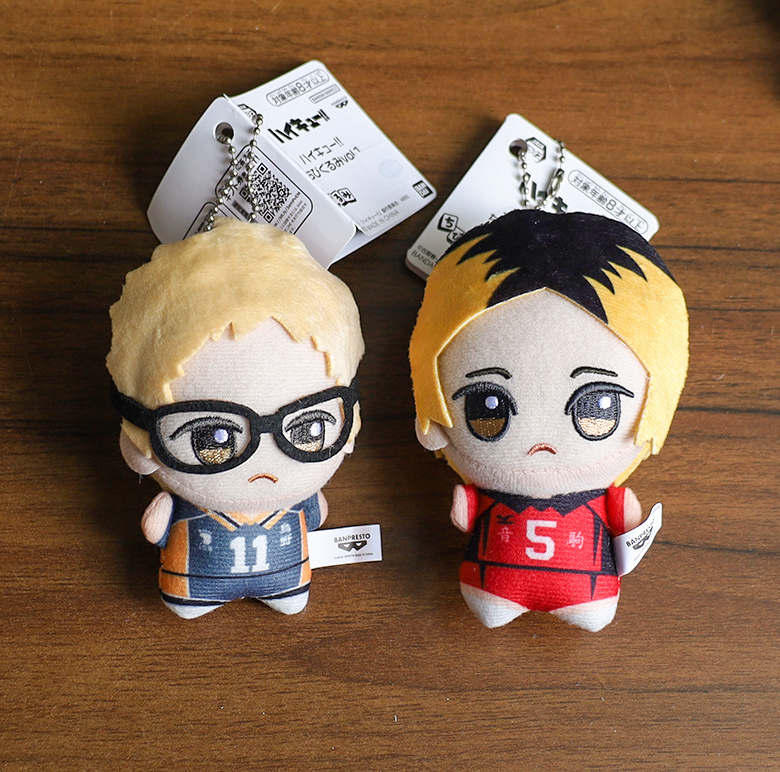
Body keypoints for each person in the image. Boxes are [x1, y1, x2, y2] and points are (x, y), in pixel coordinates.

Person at [409, 210, 688, 631]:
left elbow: (465, 517)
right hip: (498, 581)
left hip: (577, 584)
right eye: (489, 408)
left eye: (596, 408)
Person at [107, 218, 364, 619]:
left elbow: (155, 529)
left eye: (308, 430)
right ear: (139, 440)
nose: (264, 462)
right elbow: (157, 527)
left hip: (284, 578)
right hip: (193, 582)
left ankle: (280, 592)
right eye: (212, 439)